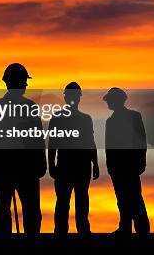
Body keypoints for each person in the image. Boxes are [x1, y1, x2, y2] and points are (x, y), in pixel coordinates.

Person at [0, 63, 46, 235]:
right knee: (24, 210)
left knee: (17, 210)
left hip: (13, 169)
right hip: (21, 169)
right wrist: (41, 164)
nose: (25, 85)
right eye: (24, 81)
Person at [48, 82, 99, 236]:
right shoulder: (58, 118)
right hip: (66, 165)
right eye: (71, 95)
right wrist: (51, 164)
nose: (72, 98)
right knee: (64, 201)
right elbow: (52, 143)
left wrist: (95, 163)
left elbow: (90, 141)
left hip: (80, 166)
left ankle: (81, 230)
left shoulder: (84, 119)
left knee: (80, 200)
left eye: (74, 95)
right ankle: (62, 231)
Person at [104, 87, 150, 236]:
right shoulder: (110, 121)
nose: (108, 102)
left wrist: (141, 160)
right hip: (118, 166)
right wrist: (110, 165)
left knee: (134, 197)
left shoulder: (134, 117)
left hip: (129, 165)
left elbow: (141, 140)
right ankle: (125, 228)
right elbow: (109, 146)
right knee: (122, 198)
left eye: (110, 100)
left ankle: (142, 229)